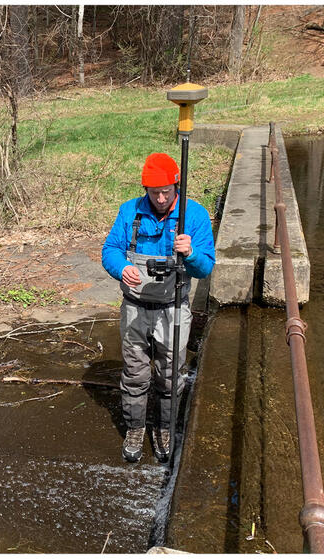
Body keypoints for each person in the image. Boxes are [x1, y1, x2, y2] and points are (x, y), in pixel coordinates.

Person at [100, 152, 215, 463]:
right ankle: (135, 428)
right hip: (134, 308)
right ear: (145, 189)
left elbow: (205, 268)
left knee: (169, 375)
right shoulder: (129, 212)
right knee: (135, 374)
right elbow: (109, 250)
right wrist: (121, 267)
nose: (161, 198)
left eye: (166, 191)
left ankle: (165, 427)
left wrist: (190, 253)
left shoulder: (195, 215)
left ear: (176, 185)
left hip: (174, 309)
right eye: (154, 193)